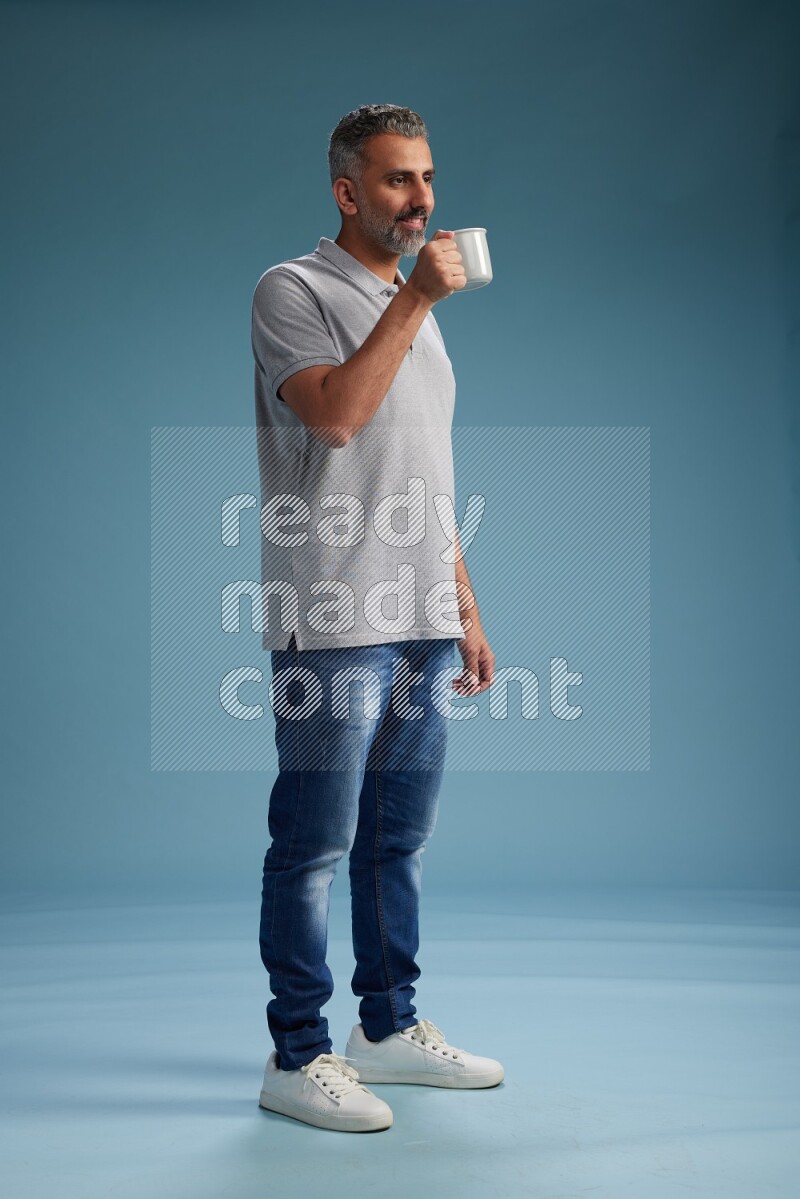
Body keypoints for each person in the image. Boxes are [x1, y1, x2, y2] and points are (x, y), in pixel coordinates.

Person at [251, 103, 503, 1133]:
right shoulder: (292, 289)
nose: (421, 199)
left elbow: (422, 471)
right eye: (398, 180)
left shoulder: (416, 302)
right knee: (314, 842)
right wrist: (413, 301)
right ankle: (296, 1051)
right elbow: (339, 415)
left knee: (395, 839)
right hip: (334, 608)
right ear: (347, 191)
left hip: (419, 610)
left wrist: (464, 600)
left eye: (427, 177)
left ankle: (386, 1028)